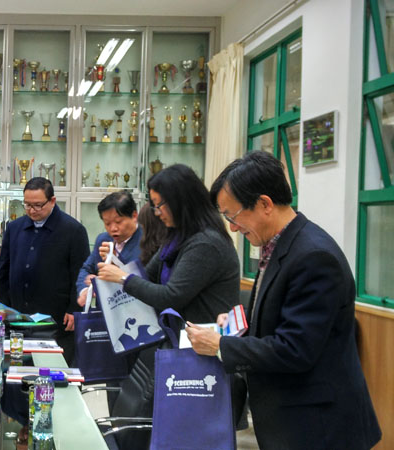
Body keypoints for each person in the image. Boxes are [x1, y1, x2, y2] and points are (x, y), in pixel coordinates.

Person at [186, 151, 381, 449]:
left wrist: (221, 346)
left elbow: (295, 349)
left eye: (233, 216)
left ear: (264, 204)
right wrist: (240, 323)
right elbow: (281, 311)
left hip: (319, 426)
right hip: (292, 418)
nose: (233, 228)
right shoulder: (279, 245)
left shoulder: (314, 257)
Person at [93, 164, 239, 324]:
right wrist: (116, 265)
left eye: (159, 205)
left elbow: (171, 296)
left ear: (178, 201)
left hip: (204, 335)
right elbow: (146, 276)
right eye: (154, 206)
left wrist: (122, 277)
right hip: (179, 333)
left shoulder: (206, 243)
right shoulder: (177, 236)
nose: (157, 213)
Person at [0, 177, 90, 364]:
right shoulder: (14, 228)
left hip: (56, 321)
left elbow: (81, 275)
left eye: (38, 205)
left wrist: (75, 310)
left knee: (53, 374)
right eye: (27, 205)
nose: (32, 210)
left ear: (52, 201)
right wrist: (2, 305)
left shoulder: (73, 230)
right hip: (17, 319)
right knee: (16, 371)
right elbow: (3, 271)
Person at [75, 190, 142, 308]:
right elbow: (86, 269)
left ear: (134, 216)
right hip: (108, 310)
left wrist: (115, 260)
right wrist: (85, 289)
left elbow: (145, 281)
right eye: (107, 223)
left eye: (118, 222)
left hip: (138, 311)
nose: (113, 228)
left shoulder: (148, 241)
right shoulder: (103, 239)